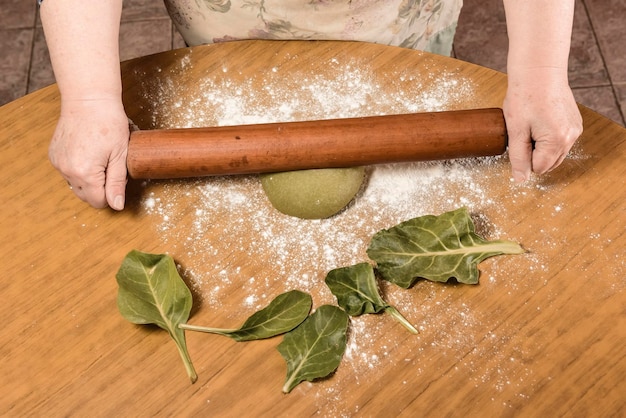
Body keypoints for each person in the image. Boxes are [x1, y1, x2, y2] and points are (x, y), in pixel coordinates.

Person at [39, 0, 582, 211]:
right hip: (225, 23)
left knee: (404, 82)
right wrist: (89, 97)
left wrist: (539, 70)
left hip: (398, 20)